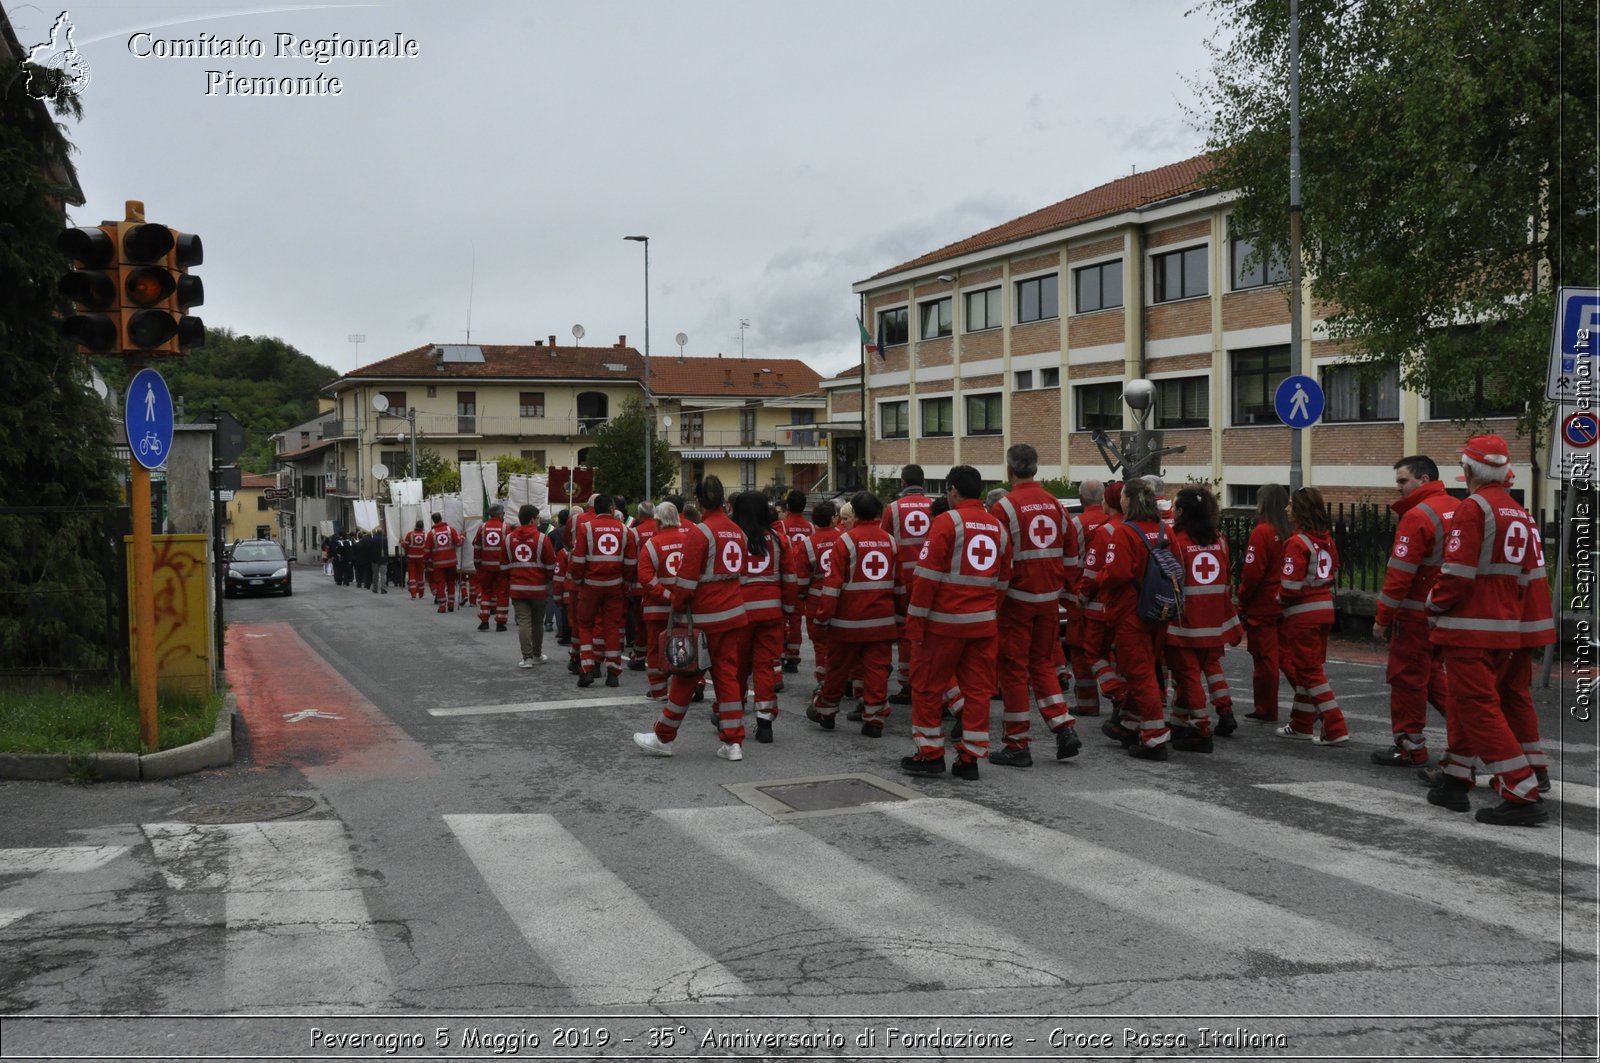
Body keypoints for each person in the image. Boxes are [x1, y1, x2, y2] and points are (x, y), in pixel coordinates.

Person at [1424, 435, 1548, 825]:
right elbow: (1526, 577)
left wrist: (1433, 604)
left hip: (1468, 629)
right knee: (1469, 703)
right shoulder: (1519, 511)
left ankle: (1520, 789)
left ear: (1467, 471)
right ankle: (1455, 778)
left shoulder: (1473, 507)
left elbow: (1457, 574)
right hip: (1505, 628)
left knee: (1478, 708)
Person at [902, 465, 1009, 780]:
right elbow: (1004, 581)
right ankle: (970, 760)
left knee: (926, 688)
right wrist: (989, 611)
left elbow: (926, 578)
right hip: (983, 625)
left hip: (943, 625)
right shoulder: (998, 528)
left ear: (952, 490)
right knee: (977, 692)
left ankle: (930, 754)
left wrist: (915, 623)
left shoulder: (946, 522)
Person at [634, 475, 752, 761]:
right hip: (734, 615)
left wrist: (674, 604)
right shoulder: (738, 532)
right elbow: (743, 575)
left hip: (704, 618)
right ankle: (733, 742)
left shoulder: (701, 533)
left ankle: (663, 737)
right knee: (728, 679)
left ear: (698, 502)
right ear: (723, 499)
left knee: (686, 677)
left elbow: (686, 583)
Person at [989, 443, 1082, 766]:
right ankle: (1063, 725)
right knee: (1042, 663)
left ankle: (1017, 743)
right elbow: (1072, 554)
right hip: (1048, 600)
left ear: (1010, 470)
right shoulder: (1055, 505)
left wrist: (995, 601)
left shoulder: (1005, 507)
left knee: (1014, 670)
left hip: (1016, 600)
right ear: (1037, 469)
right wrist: (1067, 593)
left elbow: (998, 560)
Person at [1370, 456, 1457, 766]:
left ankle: (1410, 746)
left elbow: (1400, 575)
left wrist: (1383, 617)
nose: (1398, 487)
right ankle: (1467, 732)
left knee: (1407, 680)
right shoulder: (1458, 508)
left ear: (1423, 478)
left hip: (1415, 616)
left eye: (1403, 481)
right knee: (1434, 677)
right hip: (1446, 614)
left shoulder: (1418, 515)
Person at [1082, 477, 1174, 760]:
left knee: (1139, 672)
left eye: (1122, 495)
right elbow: (1175, 566)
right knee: (1148, 666)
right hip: (1160, 610)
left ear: (1129, 500)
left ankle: (1154, 737)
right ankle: (1130, 723)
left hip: (1131, 611)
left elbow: (1117, 573)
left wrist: (1100, 576)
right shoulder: (1163, 530)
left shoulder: (1124, 532)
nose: (1119, 499)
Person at [806, 491, 900, 736]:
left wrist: (822, 618)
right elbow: (899, 585)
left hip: (847, 622)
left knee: (837, 668)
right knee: (877, 669)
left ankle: (826, 712)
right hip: (881, 620)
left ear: (855, 513)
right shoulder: (890, 541)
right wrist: (900, 617)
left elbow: (832, 587)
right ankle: (874, 719)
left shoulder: (846, 541)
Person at [1164, 485, 1241, 753]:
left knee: (1187, 677)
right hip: (1213, 620)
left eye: (1175, 507)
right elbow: (1227, 581)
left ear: (1182, 512)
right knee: (1199, 672)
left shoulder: (1176, 541)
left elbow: (1169, 583)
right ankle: (1178, 722)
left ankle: (1201, 729)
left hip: (1185, 622)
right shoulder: (1219, 539)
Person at [1276, 486, 1349, 744]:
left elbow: (1290, 586)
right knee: (1311, 667)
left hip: (1302, 615)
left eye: (1291, 504)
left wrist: (1279, 601)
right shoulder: (1326, 539)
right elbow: (1334, 571)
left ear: (1301, 510)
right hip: (1324, 610)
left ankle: (1335, 725)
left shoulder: (1297, 543)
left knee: (1308, 672)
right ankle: (1301, 724)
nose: (1286, 509)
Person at [732, 491, 794, 743]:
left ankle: (730, 715)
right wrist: (789, 610)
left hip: (740, 612)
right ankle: (765, 721)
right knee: (766, 666)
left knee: (736, 667)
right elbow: (790, 579)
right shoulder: (779, 539)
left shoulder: (734, 538)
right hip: (772, 612)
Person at [570, 492, 636, 687]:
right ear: (611, 509)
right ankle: (613, 673)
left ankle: (587, 669)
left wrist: (579, 579)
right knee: (612, 627)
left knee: (585, 625)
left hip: (590, 585)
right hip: (615, 586)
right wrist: (624, 582)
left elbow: (577, 560)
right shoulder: (625, 531)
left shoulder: (586, 529)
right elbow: (631, 563)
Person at [1237, 483, 1290, 721]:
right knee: (1286, 657)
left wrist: (1243, 598)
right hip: (1286, 602)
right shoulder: (1290, 530)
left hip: (1263, 604)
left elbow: (1252, 572)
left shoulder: (1262, 532)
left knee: (1264, 659)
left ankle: (1266, 708)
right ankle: (1310, 702)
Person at [882, 464, 934, 704]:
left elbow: (885, 542)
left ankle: (907, 683)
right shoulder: (936, 505)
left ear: (902, 483)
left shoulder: (893, 509)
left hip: (904, 579)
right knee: (931, 632)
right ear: (923, 482)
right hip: (930, 578)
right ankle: (931, 679)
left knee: (905, 631)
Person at [1064, 479, 1109, 717]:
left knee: (1081, 651)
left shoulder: (1077, 524)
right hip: (1113, 599)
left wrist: (1068, 595)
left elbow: (1071, 563)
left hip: (1081, 597)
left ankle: (1088, 703)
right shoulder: (1114, 521)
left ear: (1081, 500)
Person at [637, 501, 688, 700]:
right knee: (683, 647)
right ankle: (686, 689)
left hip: (657, 609)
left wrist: (667, 595)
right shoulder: (689, 540)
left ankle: (658, 690)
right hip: (685, 609)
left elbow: (646, 578)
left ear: (657, 521)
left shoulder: (652, 544)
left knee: (656, 649)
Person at [794, 500, 842, 694]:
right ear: (833, 519)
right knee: (840, 642)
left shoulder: (808, 543)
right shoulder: (844, 537)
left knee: (820, 644)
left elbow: (802, 577)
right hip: (840, 598)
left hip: (816, 599)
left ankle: (824, 681)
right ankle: (843, 679)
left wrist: (801, 596)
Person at [503, 503, 557, 667]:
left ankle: (526, 658)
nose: (539, 521)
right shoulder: (542, 538)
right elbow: (550, 565)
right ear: (532, 519)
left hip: (518, 589)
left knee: (524, 622)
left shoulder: (509, 538)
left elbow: (503, 566)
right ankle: (536, 655)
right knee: (537, 623)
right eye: (538, 518)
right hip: (538, 589)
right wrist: (548, 581)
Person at [777, 489, 815, 673]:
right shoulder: (811, 527)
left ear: (788, 506)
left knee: (785, 616)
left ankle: (783, 651)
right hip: (805, 577)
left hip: (788, 577)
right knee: (797, 619)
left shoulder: (782, 526)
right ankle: (794, 652)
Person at [627, 501, 659, 669]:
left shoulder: (634, 532)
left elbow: (631, 561)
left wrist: (628, 581)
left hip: (640, 585)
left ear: (639, 515)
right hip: (662, 585)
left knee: (641, 624)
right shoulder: (661, 528)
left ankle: (640, 656)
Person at [472, 503, 510, 631]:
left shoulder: (482, 528)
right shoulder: (506, 528)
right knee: (502, 594)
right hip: (501, 568)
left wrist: (478, 565)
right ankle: (500, 622)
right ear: (500, 514)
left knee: (486, 593)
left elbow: (477, 548)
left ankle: (484, 621)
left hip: (485, 567)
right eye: (503, 513)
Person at [427, 512, 464, 612]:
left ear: (433, 521)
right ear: (441, 518)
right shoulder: (450, 530)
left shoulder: (431, 534)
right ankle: (451, 605)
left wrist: (427, 563)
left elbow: (427, 551)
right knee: (451, 583)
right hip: (451, 563)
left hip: (438, 564)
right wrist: (462, 536)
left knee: (440, 585)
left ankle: (442, 607)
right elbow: (458, 543)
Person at [402, 519, 429, 599]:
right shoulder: (425, 535)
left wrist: (401, 541)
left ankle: (413, 594)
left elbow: (404, 545)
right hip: (421, 558)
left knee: (412, 577)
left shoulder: (410, 534)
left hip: (411, 559)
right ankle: (421, 594)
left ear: (415, 526)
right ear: (422, 527)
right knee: (420, 576)